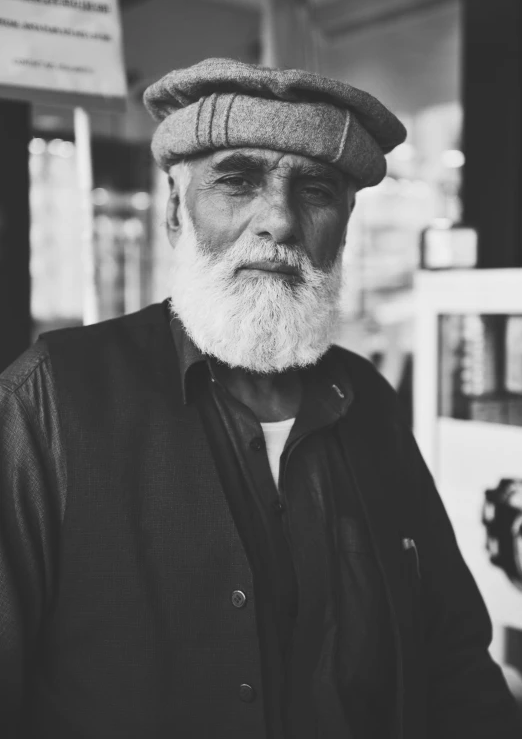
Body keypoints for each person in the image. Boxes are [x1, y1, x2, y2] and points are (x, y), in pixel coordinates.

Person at [0, 58, 520, 739]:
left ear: (343, 227)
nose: (278, 219)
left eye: (315, 189)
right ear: (174, 212)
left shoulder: (369, 403)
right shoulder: (53, 400)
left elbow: (451, 656)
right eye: (237, 181)